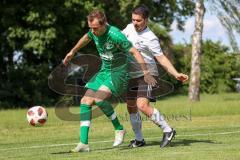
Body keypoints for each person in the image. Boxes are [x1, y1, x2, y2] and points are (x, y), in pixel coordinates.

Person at [63, 10, 156, 152]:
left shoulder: (115, 35)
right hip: (104, 71)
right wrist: (72, 51)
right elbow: (86, 38)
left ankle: (119, 129)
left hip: (119, 73)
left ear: (104, 24)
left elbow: (134, 52)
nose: (92, 31)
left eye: (95, 28)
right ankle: (83, 143)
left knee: (99, 99)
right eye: (90, 28)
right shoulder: (93, 32)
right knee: (85, 101)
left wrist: (145, 72)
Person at [122, 5, 188, 148]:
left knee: (142, 106)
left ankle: (168, 130)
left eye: (138, 20)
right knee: (131, 106)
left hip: (148, 74)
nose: (135, 23)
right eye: (133, 19)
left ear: (146, 20)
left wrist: (176, 73)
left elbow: (162, 58)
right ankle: (139, 139)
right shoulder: (128, 28)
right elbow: (117, 40)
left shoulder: (151, 38)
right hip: (132, 74)